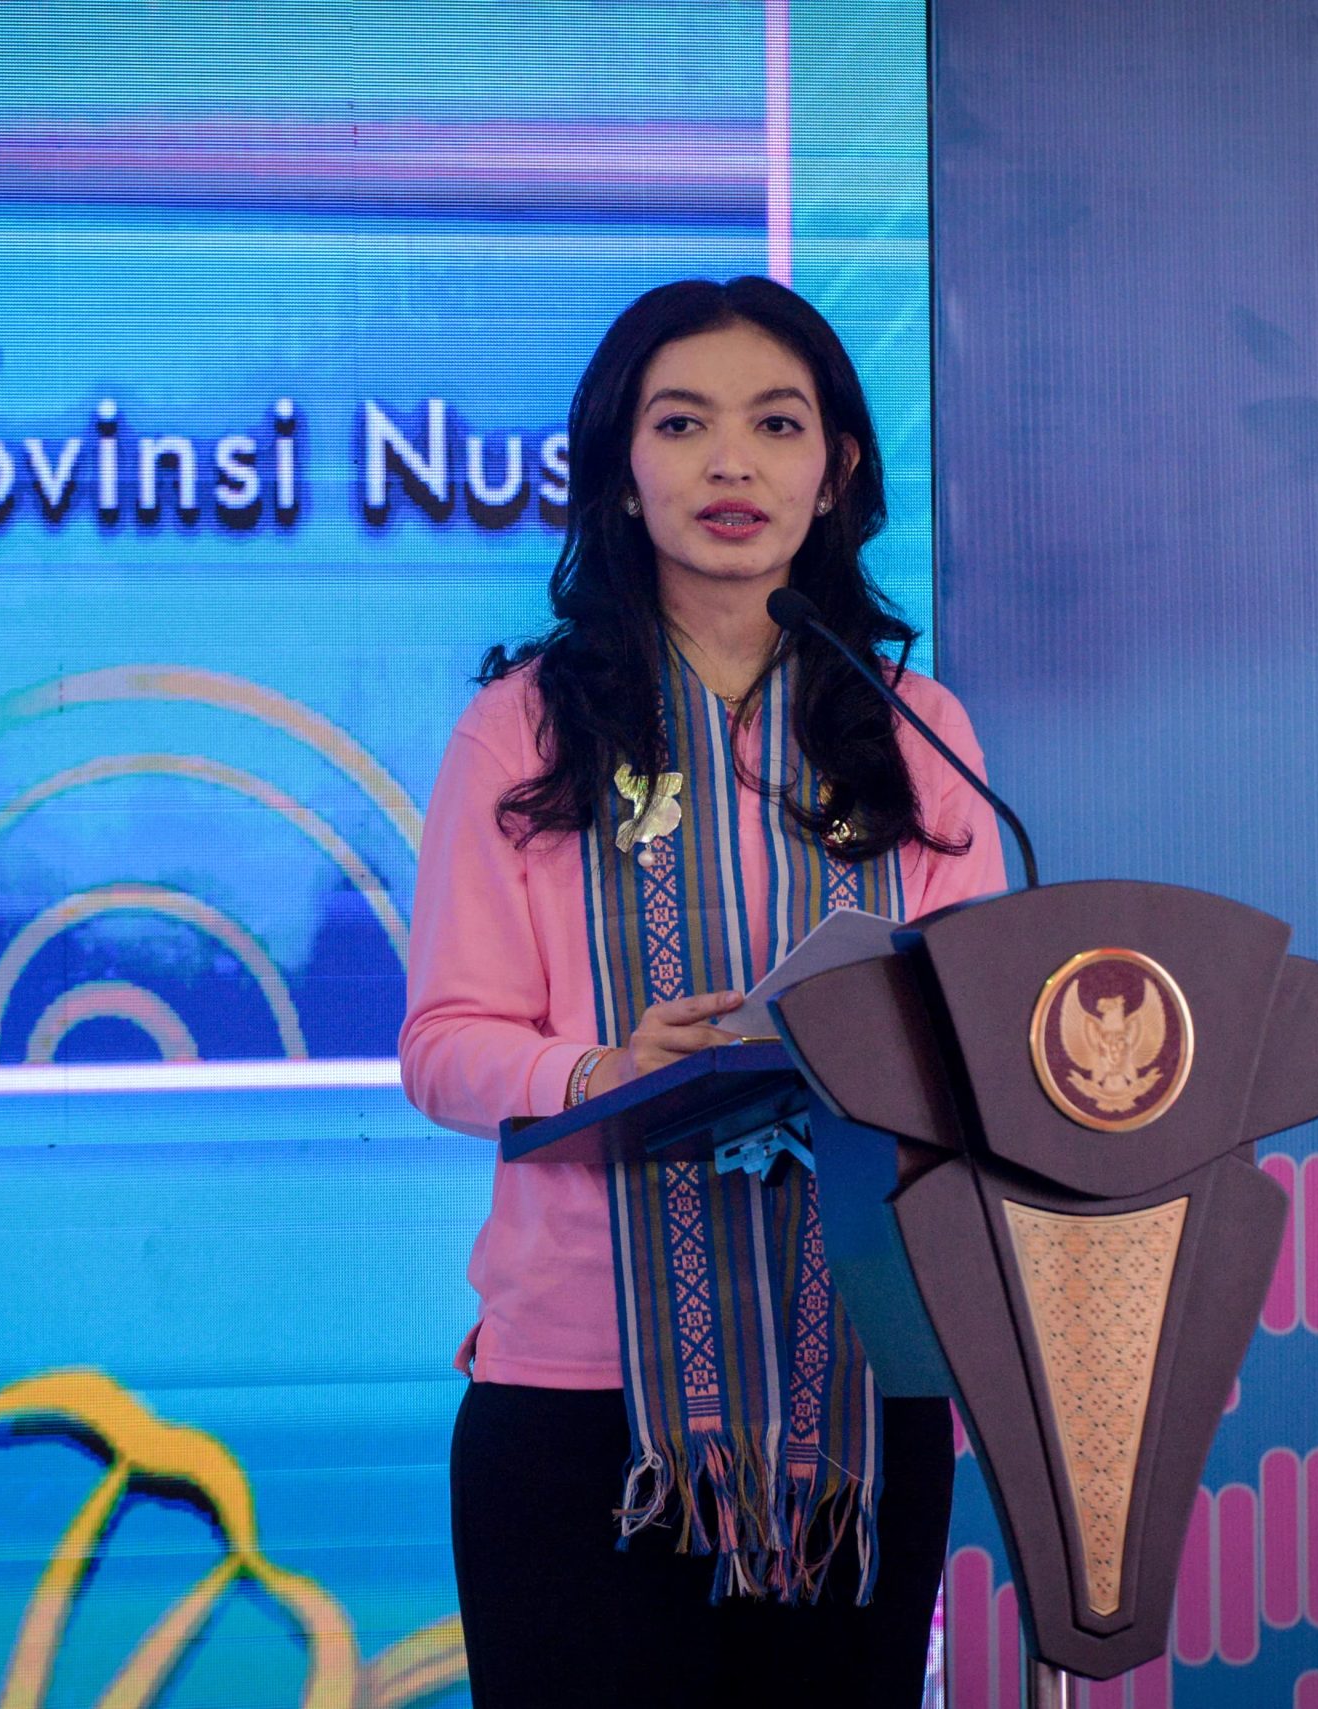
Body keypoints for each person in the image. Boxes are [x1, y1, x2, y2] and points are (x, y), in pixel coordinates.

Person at [398, 275, 1006, 1708]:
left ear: (835, 470)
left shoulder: (919, 730)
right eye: (682, 424)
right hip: (582, 1406)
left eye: (776, 424)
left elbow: (981, 1026)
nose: (732, 462)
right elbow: (443, 1045)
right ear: (621, 471)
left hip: (861, 1386)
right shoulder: (523, 730)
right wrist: (600, 1069)